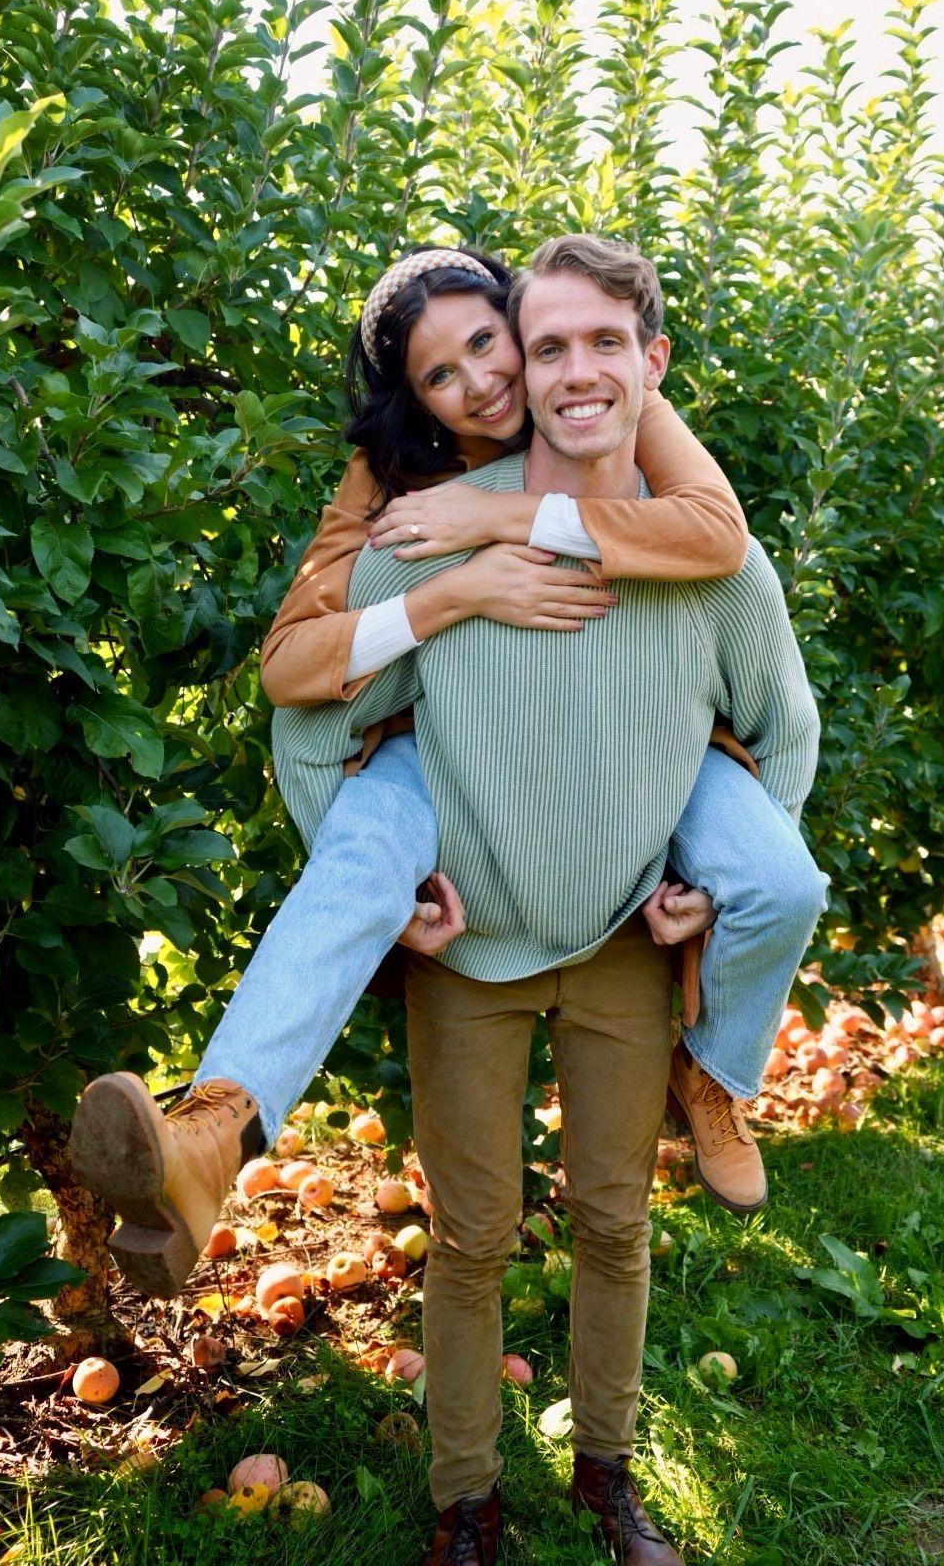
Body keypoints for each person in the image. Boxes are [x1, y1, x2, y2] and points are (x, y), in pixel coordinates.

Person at [66, 243, 825, 1302]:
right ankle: (212, 1133)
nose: (485, 381)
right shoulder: (395, 490)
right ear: (416, 400)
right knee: (360, 863)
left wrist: (506, 515)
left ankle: (711, 1075)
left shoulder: (614, 396)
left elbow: (714, 536)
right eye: (441, 373)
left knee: (780, 877)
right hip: (454, 745)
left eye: (489, 341)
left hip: (649, 742)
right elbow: (293, 672)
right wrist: (456, 592)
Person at [270, 234, 821, 1565]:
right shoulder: (419, 529)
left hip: (625, 939)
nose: (544, 373)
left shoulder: (707, 552)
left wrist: (721, 878)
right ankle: (464, 1500)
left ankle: (607, 1478)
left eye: (597, 343)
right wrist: (377, 881)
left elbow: (782, 724)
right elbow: (305, 707)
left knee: (616, 1225)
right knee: (469, 1237)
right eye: (542, 344)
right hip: (474, 950)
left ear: (649, 361)